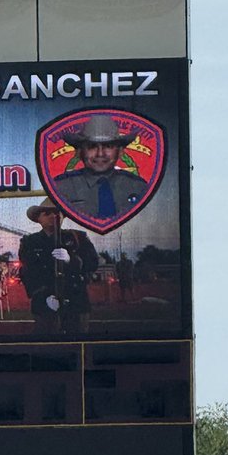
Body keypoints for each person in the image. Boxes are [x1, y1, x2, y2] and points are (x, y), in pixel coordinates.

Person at [19, 199, 99, 335]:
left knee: (78, 343)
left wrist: (71, 260)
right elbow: (27, 272)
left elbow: (92, 263)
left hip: (75, 301)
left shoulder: (78, 237)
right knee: (47, 345)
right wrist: (44, 296)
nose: (53, 216)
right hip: (45, 302)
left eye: (57, 212)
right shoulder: (30, 242)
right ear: (38, 219)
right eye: (47, 213)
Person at [53, 114, 148, 221]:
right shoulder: (60, 187)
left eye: (108, 146)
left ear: (120, 152)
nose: (100, 154)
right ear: (79, 152)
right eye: (92, 146)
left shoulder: (138, 187)